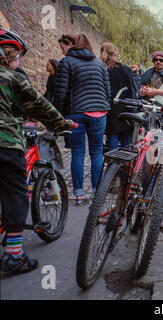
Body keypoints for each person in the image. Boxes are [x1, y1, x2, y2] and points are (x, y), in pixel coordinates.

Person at [0, 27, 76, 273]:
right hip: (5, 144)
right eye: (17, 56)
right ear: (6, 55)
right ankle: (14, 255)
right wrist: (63, 124)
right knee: (16, 193)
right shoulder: (11, 78)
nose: (19, 61)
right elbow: (39, 105)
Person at [54, 33, 111, 206]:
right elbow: (107, 91)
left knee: (78, 152)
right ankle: (97, 194)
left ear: (71, 45)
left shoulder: (66, 62)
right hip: (99, 113)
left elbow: (61, 93)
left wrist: (57, 117)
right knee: (96, 153)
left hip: (76, 112)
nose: (62, 50)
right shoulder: (99, 64)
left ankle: (79, 194)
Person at [100, 42, 136, 151]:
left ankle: (112, 163)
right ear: (115, 54)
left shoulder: (102, 69)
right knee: (126, 136)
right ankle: (125, 164)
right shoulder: (124, 68)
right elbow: (132, 90)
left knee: (112, 135)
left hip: (109, 107)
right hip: (125, 106)